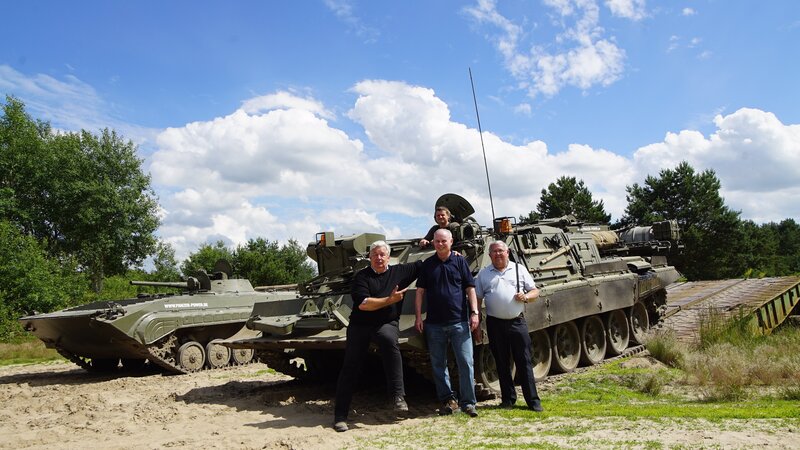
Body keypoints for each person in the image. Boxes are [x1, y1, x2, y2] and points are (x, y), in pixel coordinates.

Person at [333, 240, 421, 432]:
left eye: (382, 254)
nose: (379, 258)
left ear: (389, 257)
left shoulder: (400, 271)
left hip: (386, 323)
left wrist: (450, 254)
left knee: (389, 341)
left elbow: (425, 264)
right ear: (369, 258)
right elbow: (364, 304)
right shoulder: (361, 277)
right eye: (375, 255)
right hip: (361, 324)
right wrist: (390, 300)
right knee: (350, 365)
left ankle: (398, 396)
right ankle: (340, 416)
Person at [414, 228, 480, 417]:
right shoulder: (428, 264)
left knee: (466, 362)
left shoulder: (460, 261)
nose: (440, 244)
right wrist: (418, 316)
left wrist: (474, 312)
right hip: (434, 323)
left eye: (444, 241)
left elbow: (470, 288)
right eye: (437, 241)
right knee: (438, 364)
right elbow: (420, 291)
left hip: (459, 320)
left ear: (451, 242)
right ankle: (448, 400)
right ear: (433, 243)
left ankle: (468, 403)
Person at [474, 240, 543, 412]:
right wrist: (477, 322)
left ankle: (533, 401)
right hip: (495, 323)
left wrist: (526, 297)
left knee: (524, 361)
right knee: (501, 362)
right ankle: (508, 399)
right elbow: (478, 298)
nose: (497, 254)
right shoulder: (484, 274)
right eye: (494, 251)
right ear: (489, 255)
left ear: (508, 252)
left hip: (516, 322)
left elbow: (535, 291)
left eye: (500, 251)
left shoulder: (519, 269)